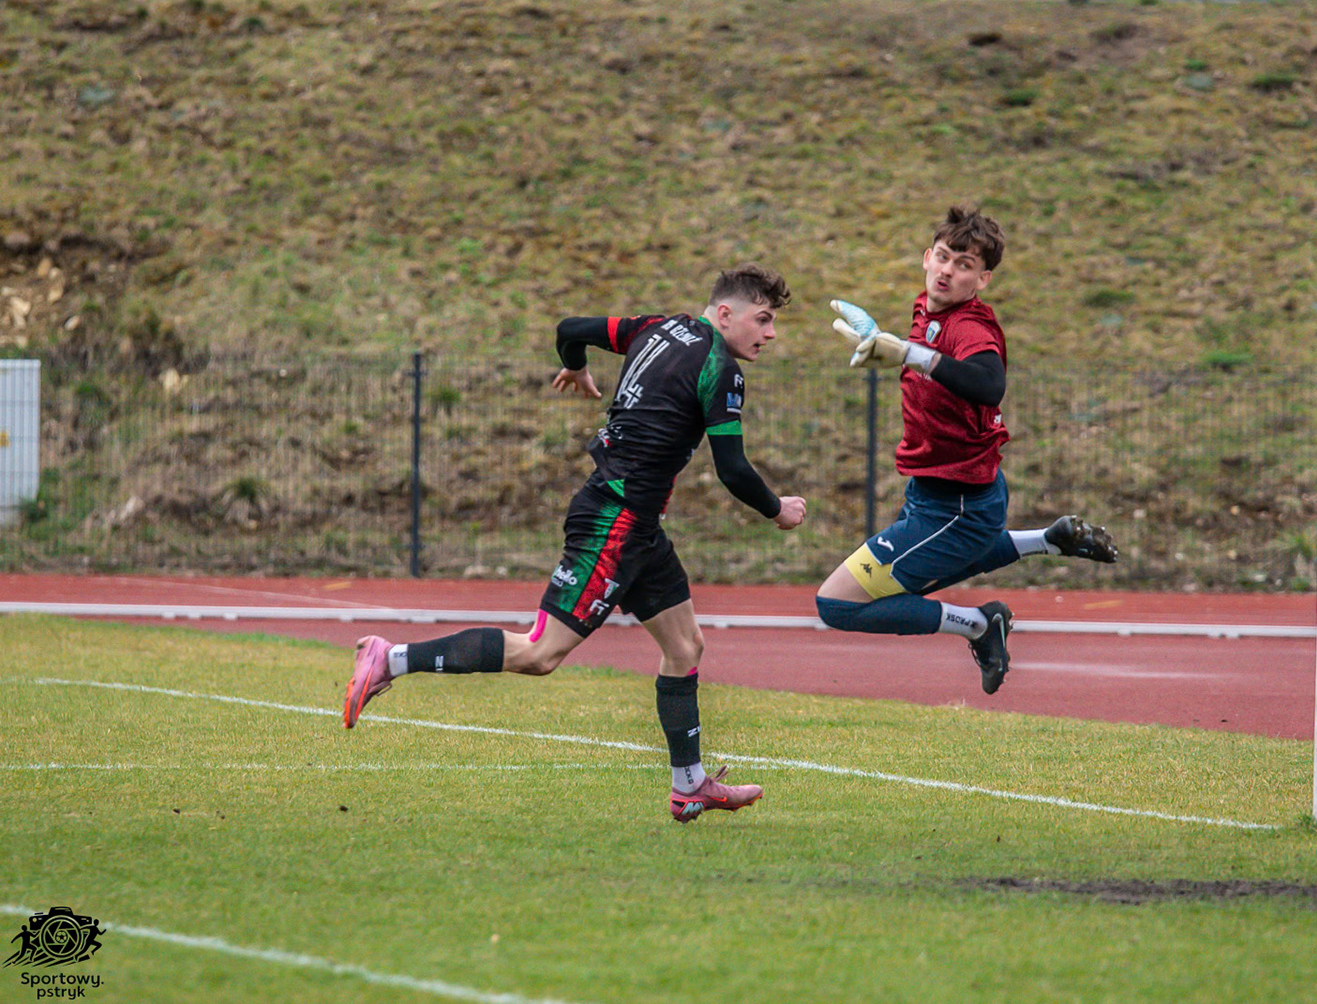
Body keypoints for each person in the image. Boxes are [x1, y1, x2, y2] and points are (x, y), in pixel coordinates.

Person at [342, 265, 807, 824]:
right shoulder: (719, 369)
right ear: (726, 313)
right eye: (763, 319)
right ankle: (391, 658)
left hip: (637, 524)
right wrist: (777, 509)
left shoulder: (653, 327)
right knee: (540, 654)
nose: (770, 333)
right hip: (615, 521)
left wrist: (576, 366)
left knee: (685, 647)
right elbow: (732, 469)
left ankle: (689, 787)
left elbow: (570, 328)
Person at [815, 207, 1118, 694]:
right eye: (942, 257)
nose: (947, 271)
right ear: (925, 257)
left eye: (963, 265)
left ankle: (979, 624)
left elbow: (989, 384)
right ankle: (1049, 539)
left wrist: (908, 353)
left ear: (983, 279)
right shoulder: (928, 309)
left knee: (837, 605)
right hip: (941, 494)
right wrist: (883, 343)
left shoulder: (969, 325)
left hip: (956, 505)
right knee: (919, 576)